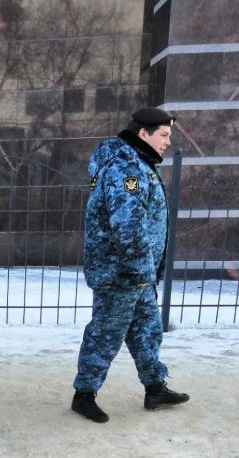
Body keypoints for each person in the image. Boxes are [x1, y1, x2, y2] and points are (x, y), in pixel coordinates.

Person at [72, 107, 190, 423]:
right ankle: (84, 395)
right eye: (163, 135)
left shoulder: (139, 163)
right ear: (143, 134)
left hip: (138, 273)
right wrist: (140, 269)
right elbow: (128, 224)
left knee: (147, 330)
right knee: (106, 334)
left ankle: (155, 388)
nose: (167, 142)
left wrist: (145, 272)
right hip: (121, 273)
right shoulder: (126, 168)